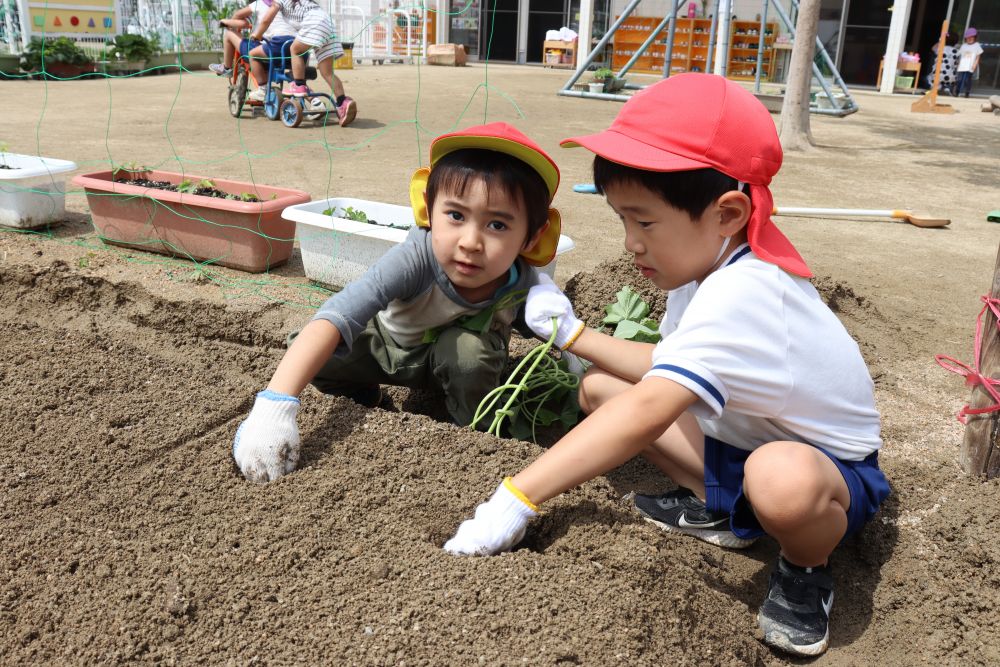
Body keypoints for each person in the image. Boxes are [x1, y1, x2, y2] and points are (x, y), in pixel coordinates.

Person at [443, 74, 889, 658]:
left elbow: (654, 405)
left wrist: (516, 498)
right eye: (622, 220)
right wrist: (573, 335)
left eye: (644, 221)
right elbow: (663, 363)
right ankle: (729, 513)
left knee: (779, 480)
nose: (631, 243)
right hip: (747, 443)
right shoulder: (706, 269)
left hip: (827, 477)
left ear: (727, 213)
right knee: (603, 392)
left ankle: (806, 569)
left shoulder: (747, 293)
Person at [232, 122, 564, 483]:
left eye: (497, 225)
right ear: (427, 208)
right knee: (313, 348)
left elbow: (567, 339)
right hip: (392, 348)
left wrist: (579, 371)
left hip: (465, 365)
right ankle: (367, 399)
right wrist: (274, 405)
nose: (470, 241)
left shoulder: (525, 284)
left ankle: (474, 436)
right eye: (455, 215)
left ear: (533, 237)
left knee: (467, 353)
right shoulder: (416, 257)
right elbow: (338, 313)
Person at [250, 0, 357, 126]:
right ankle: (342, 102)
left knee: (294, 49)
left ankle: (299, 85)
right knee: (327, 72)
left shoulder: (280, 1)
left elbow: (267, 19)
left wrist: (257, 34)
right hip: (328, 25)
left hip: (314, 23)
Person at [209, 0, 296, 103]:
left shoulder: (259, 3)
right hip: (291, 48)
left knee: (229, 34)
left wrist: (224, 21)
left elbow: (241, 19)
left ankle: (227, 68)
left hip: (271, 48)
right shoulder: (288, 4)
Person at [955, 27, 984, 98]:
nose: (969, 39)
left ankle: (967, 93)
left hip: (970, 66)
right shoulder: (964, 46)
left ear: (975, 38)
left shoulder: (977, 45)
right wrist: (958, 63)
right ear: (965, 38)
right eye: (968, 38)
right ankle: (957, 91)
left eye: (971, 37)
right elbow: (959, 55)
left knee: (967, 80)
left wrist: (975, 64)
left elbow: (978, 56)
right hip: (962, 66)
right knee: (959, 79)